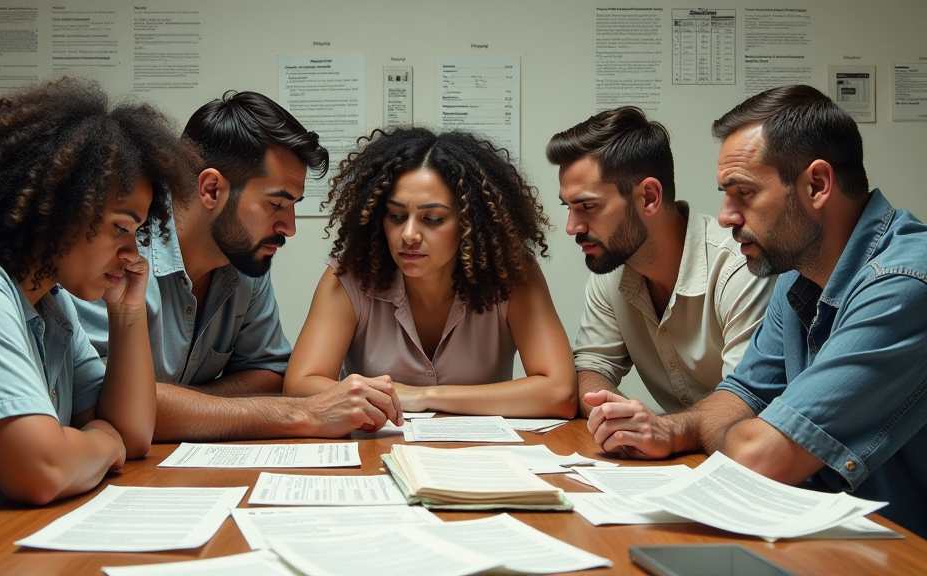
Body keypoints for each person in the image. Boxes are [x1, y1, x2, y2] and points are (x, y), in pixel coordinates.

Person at [585, 85, 927, 538]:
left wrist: (740, 431)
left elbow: (759, 456)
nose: (725, 216)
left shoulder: (904, 284)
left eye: (743, 193)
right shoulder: (797, 275)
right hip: (832, 535)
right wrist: (671, 432)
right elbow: (741, 395)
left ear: (817, 185)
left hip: (904, 547)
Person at [0, 78, 195, 555]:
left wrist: (126, 312)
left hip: (5, 553)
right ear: (60, 208)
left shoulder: (48, 302)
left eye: (138, 232)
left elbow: (135, 433)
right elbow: (42, 471)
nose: (130, 253)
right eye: (120, 227)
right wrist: (101, 440)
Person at [72, 91, 402, 441]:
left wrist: (183, 407)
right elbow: (105, 404)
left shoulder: (245, 262)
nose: (289, 227)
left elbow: (269, 372)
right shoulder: (116, 255)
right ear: (212, 189)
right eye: (276, 204)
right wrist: (301, 413)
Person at [284, 128, 578, 418]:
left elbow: (560, 393)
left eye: (433, 219)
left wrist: (422, 396)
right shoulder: (349, 275)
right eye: (396, 216)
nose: (409, 234)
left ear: (469, 223)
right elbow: (300, 385)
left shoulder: (512, 275)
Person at [546, 107, 774, 416]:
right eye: (569, 207)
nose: (573, 227)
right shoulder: (611, 267)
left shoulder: (740, 267)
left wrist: (661, 431)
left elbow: (747, 404)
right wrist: (619, 416)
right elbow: (591, 367)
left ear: (649, 197)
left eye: (588, 206)